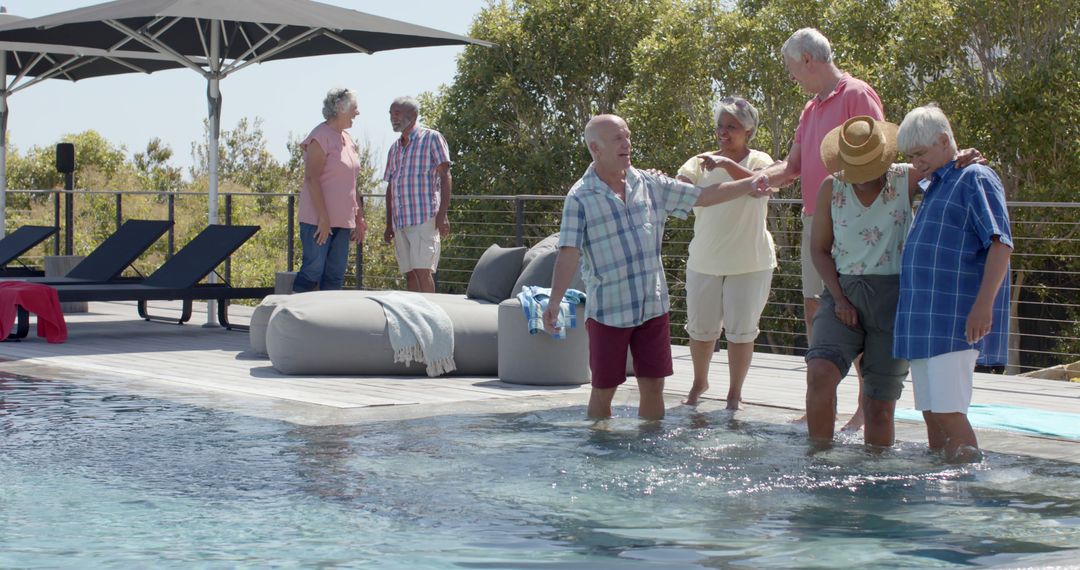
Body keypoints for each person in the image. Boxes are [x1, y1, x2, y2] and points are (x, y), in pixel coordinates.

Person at [542, 114, 765, 421]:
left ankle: (651, 454)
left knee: (653, 385)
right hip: (609, 310)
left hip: (652, 305)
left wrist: (751, 182)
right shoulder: (580, 197)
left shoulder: (650, 183)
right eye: (618, 139)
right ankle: (596, 457)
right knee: (603, 388)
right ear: (595, 147)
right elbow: (568, 253)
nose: (627, 144)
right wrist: (555, 302)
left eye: (628, 136)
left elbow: (704, 196)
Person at [751, 27, 885, 430]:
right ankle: (824, 402)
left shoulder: (856, 95)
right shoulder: (809, 110)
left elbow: (876, 157)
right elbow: (791, 168)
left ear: (808, 60)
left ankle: (866, 409)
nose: (792, 75)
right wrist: (752, 180)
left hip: (852, 221)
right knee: (817, 312)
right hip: (816, 221)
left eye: (792, 67)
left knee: (853, 313)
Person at [893, 105, 1012, 463]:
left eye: (921, 154)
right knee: (932, 416)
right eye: (911, 157)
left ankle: (973, 493)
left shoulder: (974, 177)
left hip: (953, 321)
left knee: (949, 413)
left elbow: (1000, 243)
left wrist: (983, 305)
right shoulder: (936, 185)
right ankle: (942, 497)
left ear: (944, 141)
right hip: (924, 322)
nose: (916, 163)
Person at [805, 116, 916, 447]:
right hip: (843, 293)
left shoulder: (907, 179)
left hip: (893, 300)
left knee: (879, 404)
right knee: (820, 372)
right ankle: (819, 461)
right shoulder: (832, 187)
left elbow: (946, 169)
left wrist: (965, 155)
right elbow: (820, 249)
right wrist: (838, 298)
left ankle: (876, 482)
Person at [676, 96, 776, 409]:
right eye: (721, 125)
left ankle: (734, 394)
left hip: (751, 262)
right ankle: (699, 383)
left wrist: (726, 165)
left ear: (748, 130)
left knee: (741, 332)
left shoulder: (761, 161)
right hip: (704, 259)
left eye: (732, 126)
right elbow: (683, 192)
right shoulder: (698, 161)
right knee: (701, 329)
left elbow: (763, 186)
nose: (724, 131)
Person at [292, 87, 366, 293]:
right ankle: (291, 317)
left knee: (335, 275)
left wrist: (359, 217)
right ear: (340, 108)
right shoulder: (320, 136)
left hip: (343, 219)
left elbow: (352, 182)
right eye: (354, 108)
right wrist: (323, 219)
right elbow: (311, 178)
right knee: (313, 271)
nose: (357, 113)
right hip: (318, 220)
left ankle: (324, 322)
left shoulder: (348, 139)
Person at [382, 96, 452, 293]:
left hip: (424, 218)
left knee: (423, 271)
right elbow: (391, 187)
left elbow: (445, 176)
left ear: (412, 115)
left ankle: (430, 317)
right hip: (400, 221)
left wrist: (442, 215)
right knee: (410, 273)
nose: (392, 118)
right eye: (390, 114)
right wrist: (389, 224)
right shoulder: (394, 148)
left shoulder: (432, 138)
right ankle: (414, 316)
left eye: (396, 113)